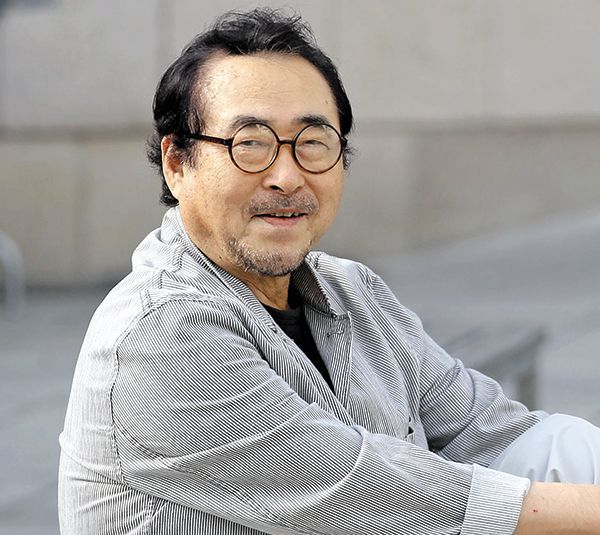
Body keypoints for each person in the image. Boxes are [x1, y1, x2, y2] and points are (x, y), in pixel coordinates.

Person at [58, 8, 600, 535]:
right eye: (251, 144)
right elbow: (373, 500)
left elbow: (489, 432)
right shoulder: (157, 335)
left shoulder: (352, 290)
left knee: (569, 454)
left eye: (313, 143)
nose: (287, 176)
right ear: (177, 163)